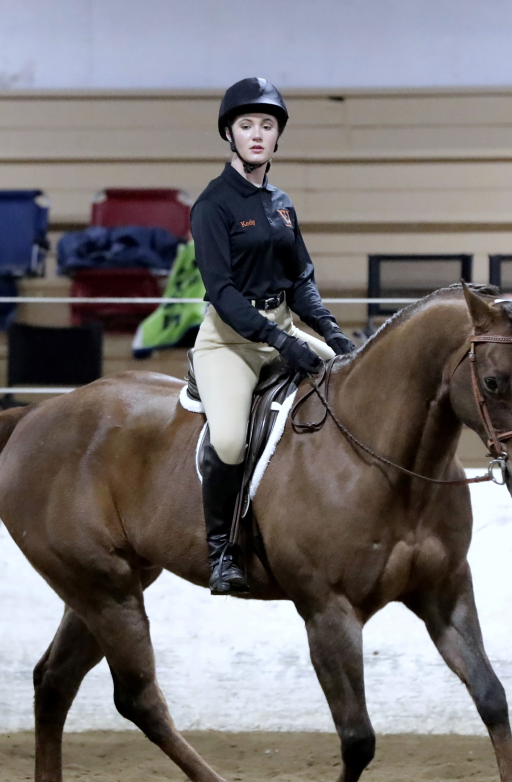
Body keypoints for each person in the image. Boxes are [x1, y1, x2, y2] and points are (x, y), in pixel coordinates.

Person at [191, 77, 355, 595]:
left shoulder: (281, 202)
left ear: (277, 136)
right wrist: (281, 343)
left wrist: (330, 332)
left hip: (284, 327)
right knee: (231, 440)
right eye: (246, 126)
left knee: (355, 383)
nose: (257, 134)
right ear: (229, 135)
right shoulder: (212, 205)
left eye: (266, 125)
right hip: (230, 341)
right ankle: (222, 551)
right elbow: (222, 291)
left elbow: (299, 279)